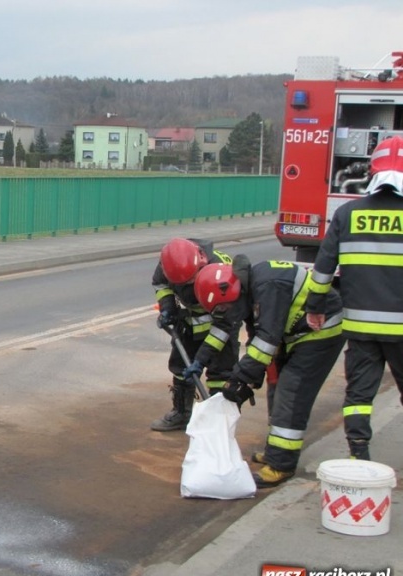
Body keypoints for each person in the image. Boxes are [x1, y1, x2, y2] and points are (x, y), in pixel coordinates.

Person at [194, 257, 344, 487]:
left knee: (291, 391)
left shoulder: (268, 286)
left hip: (319, 333)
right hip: (293, 333)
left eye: (224, 308)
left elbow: (267, 339)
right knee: (278, 385)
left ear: (230, 292)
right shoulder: (251, 287)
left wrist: (239, 378)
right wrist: (253, 376)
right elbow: (258, 334)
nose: (226, 313)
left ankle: (281, 465)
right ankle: (276, 450)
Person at [306, 135, 403, 461]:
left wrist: (315, 308)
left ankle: (358, 456)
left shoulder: (348, 214)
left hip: (360, 327)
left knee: (359, 395)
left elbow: (322, 271)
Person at [150, 238, 239, 431]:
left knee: (221, 373)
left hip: (221, 322)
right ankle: (182, 413)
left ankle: (219, 425)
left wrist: (201, 360)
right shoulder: (169, 262)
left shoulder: (221, 275)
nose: (187, 285)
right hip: (190, 320)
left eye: (190, 280)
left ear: (202, 261)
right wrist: (168, 308)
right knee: (182, 366)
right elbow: (160, 284)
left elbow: (223, 326)